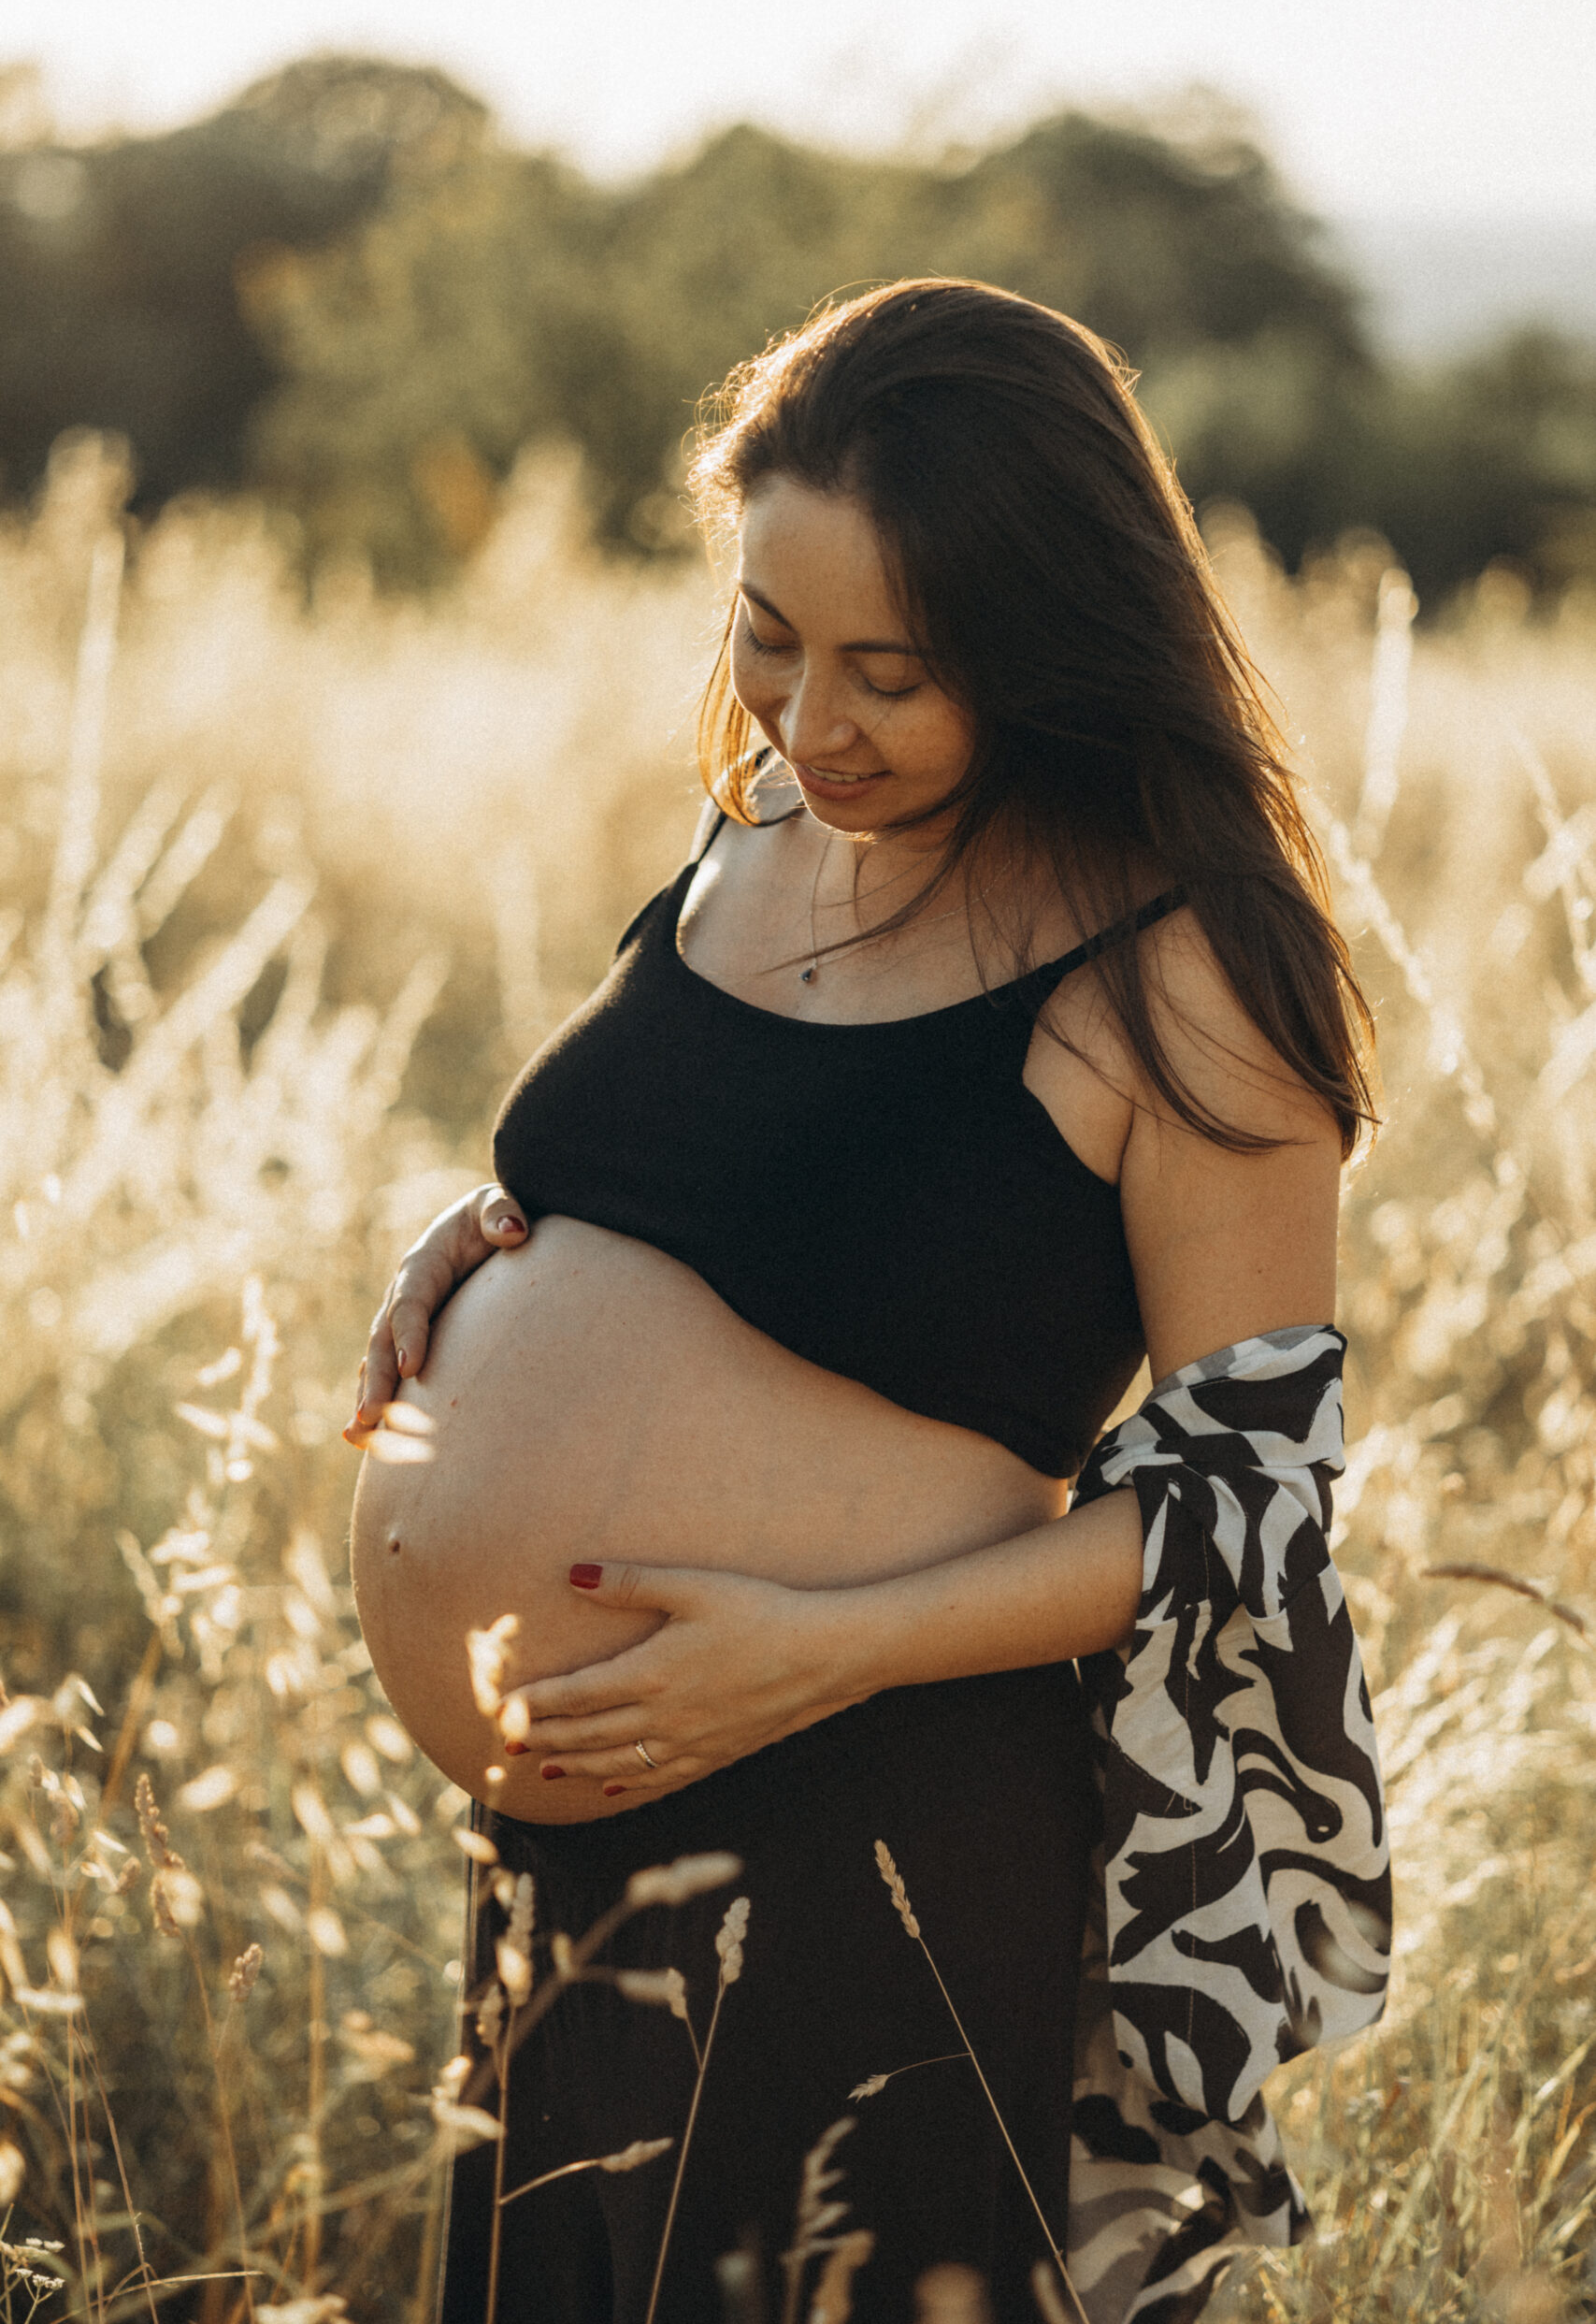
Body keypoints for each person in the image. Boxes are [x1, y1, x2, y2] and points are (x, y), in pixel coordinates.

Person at [349, 280, 1390, 2324]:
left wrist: (818, 1649)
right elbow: (758, 1178)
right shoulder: (761, 825)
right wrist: (497, 1225)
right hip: (580, 1858)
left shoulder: (1184, 969)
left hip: (873, 1835)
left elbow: (1249, 1502)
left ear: (1042, 641)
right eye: (764, 636)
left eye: (888, 674)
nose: (806, 722)